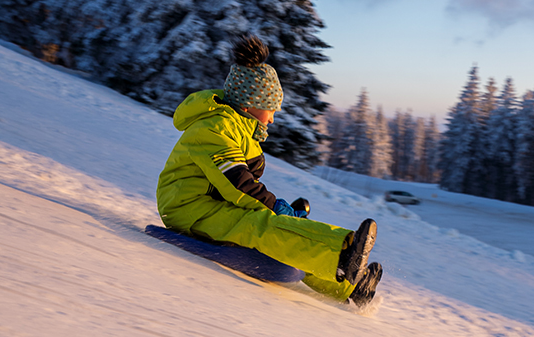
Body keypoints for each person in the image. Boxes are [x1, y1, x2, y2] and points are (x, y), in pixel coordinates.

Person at [156, 35, 382, 307]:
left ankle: (350, 286)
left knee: (274, 222)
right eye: (270, 109)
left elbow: (244, 185)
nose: (273, 118)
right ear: (249, 104)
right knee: (258, 225)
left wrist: (280, 210)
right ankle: (343, 256)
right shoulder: (214, 129)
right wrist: (274, 207)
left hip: (213, 203)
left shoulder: (241, 129)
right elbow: (238, 184)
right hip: (186, 207)